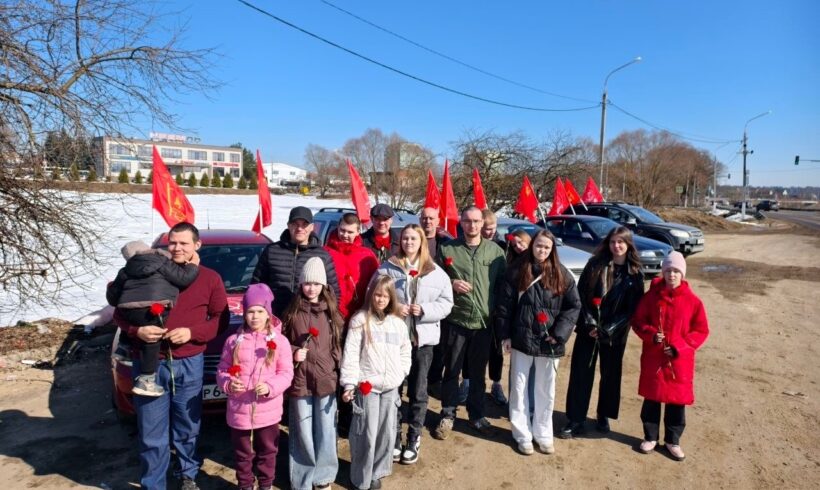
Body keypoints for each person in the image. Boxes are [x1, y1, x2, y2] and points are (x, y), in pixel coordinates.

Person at [113, 222, 229, 490]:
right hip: (150, 364)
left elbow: (220, 320)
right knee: (151, 431)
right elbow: (119, 312)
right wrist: (136, 330)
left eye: (183, 243)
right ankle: (153, 483)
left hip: (189, 362)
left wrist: (192, 332)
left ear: (197, 246)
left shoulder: (210, 278)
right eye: (172, 243)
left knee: (188, 427)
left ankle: (187, 473)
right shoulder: (149, 270)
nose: (176, 248)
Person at [371, 224, 453, 464]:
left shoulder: (435, 272)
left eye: (413, 239)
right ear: (400, 241)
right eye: (405, 238)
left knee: (418, 390)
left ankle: (414, 436)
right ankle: (393, 436)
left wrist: (425, 310)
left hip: (422, 341)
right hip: (393, 341)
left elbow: (447, 302)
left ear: (422, 242)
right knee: (394, 389)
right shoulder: (388, 268)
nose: (409, 242)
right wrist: (394, 309)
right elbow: (373, 296)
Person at [496, 230, 581, 456]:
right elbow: (504, 307)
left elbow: (573, 307)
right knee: (519, 387)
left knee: (546, 390)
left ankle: (543, 433)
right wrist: (505, 335)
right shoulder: (516, 271)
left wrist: (559, 333)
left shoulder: (562, 274)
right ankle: (521, 433)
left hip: (548, 342)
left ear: (552, 249)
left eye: (546, 247)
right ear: (532, 245)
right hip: (521, 339)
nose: (541, 250)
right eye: (538, 246)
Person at [560, 226, 645, 439]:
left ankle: (603, 414)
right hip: (589, 329)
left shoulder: (634, 272)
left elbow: (633, 307)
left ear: (628, 245)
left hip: (614, 333)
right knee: (581, 374)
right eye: (613, 242)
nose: (616, 246)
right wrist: (589, 323)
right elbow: (580, 296)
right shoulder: (595, 264)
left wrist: (608, 329)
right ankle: (575, 418)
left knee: (610, 375)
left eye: (621, 242)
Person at [432, 206, 506, 440]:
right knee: (452, 370)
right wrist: (451, 283)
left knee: (476, 373)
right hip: (456, 320)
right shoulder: (447, 249)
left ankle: (476, 415)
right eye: (467, 221)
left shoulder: (495, 252)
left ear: (483, 223)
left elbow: (503, 288)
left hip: (483, 324)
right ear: (461, 222)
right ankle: (448, 413)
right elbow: (434, 281)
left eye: (476, 221)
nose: (472, 226)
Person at [631, 251, 709, 461]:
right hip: (654, 358)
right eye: (668, 271)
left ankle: (673, 441)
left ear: (682, 274)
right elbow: (638, 321)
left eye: (676, 271)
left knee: (676, 401)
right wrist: (650, 335)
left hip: (678, 361)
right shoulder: (651, 297)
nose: (671, 275)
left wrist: (679, 347)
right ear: (663, 272)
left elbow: (701, 331)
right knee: (652, 398)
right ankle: (650, 437)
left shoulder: (693, 302)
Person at [217, 284, 294, 490]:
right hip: (239, 411)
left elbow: (286, 373)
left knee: (267, 451)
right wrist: (228, 383)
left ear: (268, 313)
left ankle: (266, 484)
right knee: (243, 453)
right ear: (244, 313)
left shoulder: (280, 342)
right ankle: (245, 485)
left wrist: (270, 387)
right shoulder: (233, 341)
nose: (255, 317)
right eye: (251, 311)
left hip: (267, 411)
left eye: (260, 311)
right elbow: (223, 369)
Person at [340, 275, 412, 489]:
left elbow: (405, 351)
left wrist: (400, 374)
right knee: (366, 434)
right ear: (371, 295)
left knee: (385, 433)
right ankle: (360, 476)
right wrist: (350, 383)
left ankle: (376, 472)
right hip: (367, 386)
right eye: (377, 295)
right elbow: (351, 354)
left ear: (392, 299)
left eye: (385, 296)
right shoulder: (360, 320)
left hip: (390, 387)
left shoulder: (398, 324)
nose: (380, 299)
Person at [281, 257, 345, 490]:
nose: (311, 288)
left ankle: (324, 476)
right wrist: (294, 350)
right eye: (307, 283)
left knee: (327, 428)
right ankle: (303, 477)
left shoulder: (332, 313)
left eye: (316, 284)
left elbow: (338, 343)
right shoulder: (292, 312)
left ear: (323, 285)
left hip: (326, 379)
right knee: (303, 429)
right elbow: (278, 344)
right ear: (301, 284)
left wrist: (335, 366)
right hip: (300, 380)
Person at [106, 239, 200, 397]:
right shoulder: (162, 262)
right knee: (152, 337)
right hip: (152, 308)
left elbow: (113, 299)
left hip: (127, 308)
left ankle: (123, 347)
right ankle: (147, 380)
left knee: (132, 316)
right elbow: (183, 279)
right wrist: (193, 264)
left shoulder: (126, 270)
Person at [252, 206, 341, 316]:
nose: (300, 228)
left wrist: (328, 317)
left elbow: (334, 292)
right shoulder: (272, 251)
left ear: (312, 227)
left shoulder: (322, 255)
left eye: (304, 224)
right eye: (295, 224)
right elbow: (256, 286)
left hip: (308, 319)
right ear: (289, 226)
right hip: (274, 318)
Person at [324, 213, 380, 323]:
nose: (345, 235)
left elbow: (377, 285)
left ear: (358, 232)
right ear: (338, 228)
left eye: (350, 232)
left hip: (359, 316)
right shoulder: (325, 253)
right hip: (331, 315)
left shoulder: (367, 255)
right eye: (342, 230)